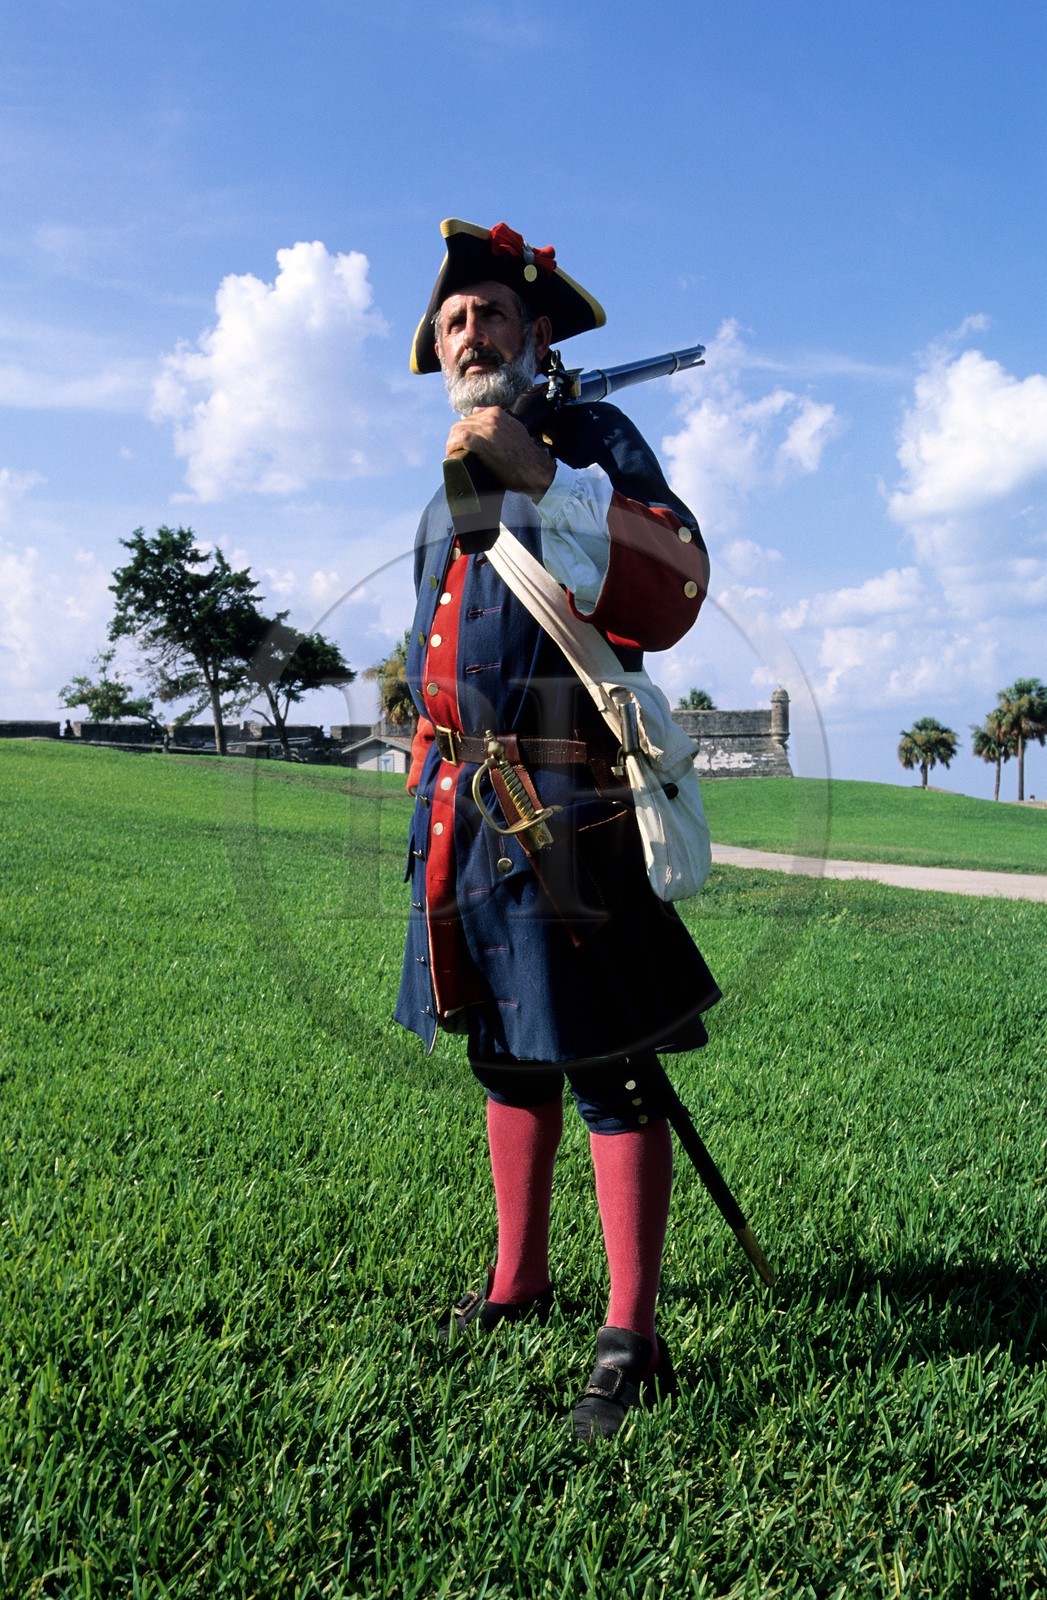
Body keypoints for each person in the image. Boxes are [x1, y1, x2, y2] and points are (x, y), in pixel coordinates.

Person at [395, 219, 721, 1440]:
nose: (469, 333)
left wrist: (540, 471)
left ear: (536, 333)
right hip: (464, 811)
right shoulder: (443, 486)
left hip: (571, 806)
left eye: (489, 313)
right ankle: (518, 1281)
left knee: (607, 1070)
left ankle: (633, 1335)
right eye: (453, 321)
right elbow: (439, 651)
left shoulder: (589, 442)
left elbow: (673, 583)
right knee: (504, 1053)